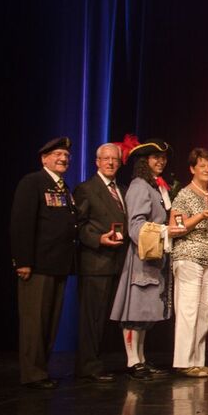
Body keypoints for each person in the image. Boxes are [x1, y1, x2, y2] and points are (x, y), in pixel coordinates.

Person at [110, 137, 183, 381]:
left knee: (146, 312)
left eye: (163, 158)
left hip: (157, 255)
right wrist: (164, 231)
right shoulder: (140, 185)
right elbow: (135, 225)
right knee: (135, 310)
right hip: (142, 256)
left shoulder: (158, 186)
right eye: (155, 157)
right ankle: (132, 360)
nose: (160, 161)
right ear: (145, 161)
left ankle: (140, 358)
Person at [10, 137, 78, 389]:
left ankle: (42, 370)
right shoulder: (33, 182)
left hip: (58, 265)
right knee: (34, 322)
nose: (63, 159)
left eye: (66, 156)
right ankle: (32, 374)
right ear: (44, 158)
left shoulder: (62, 187)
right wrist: (23, 261)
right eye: (58, 154)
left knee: (50, 321)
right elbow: (21, 223)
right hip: (37, 265)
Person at [73, 142, 128, 383]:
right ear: (97, 162)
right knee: (92, 317)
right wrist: (98, 239)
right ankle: (89, 366)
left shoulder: (123, 190)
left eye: (114, 159)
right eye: (105, 159)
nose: (110, 163)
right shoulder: (86, 189)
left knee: (106, 318)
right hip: (96, 263)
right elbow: (79, 226)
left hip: (118, 263)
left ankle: (99, 361)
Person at [170, 148, 208, 378]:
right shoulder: (184, 195)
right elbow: (175, 227)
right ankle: (183, 362)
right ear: (192, 169)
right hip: (189, 257)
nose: (207, 169)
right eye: (202, 165)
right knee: (188, 311)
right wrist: (201, 215)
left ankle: (197, 360)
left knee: (204, 313)